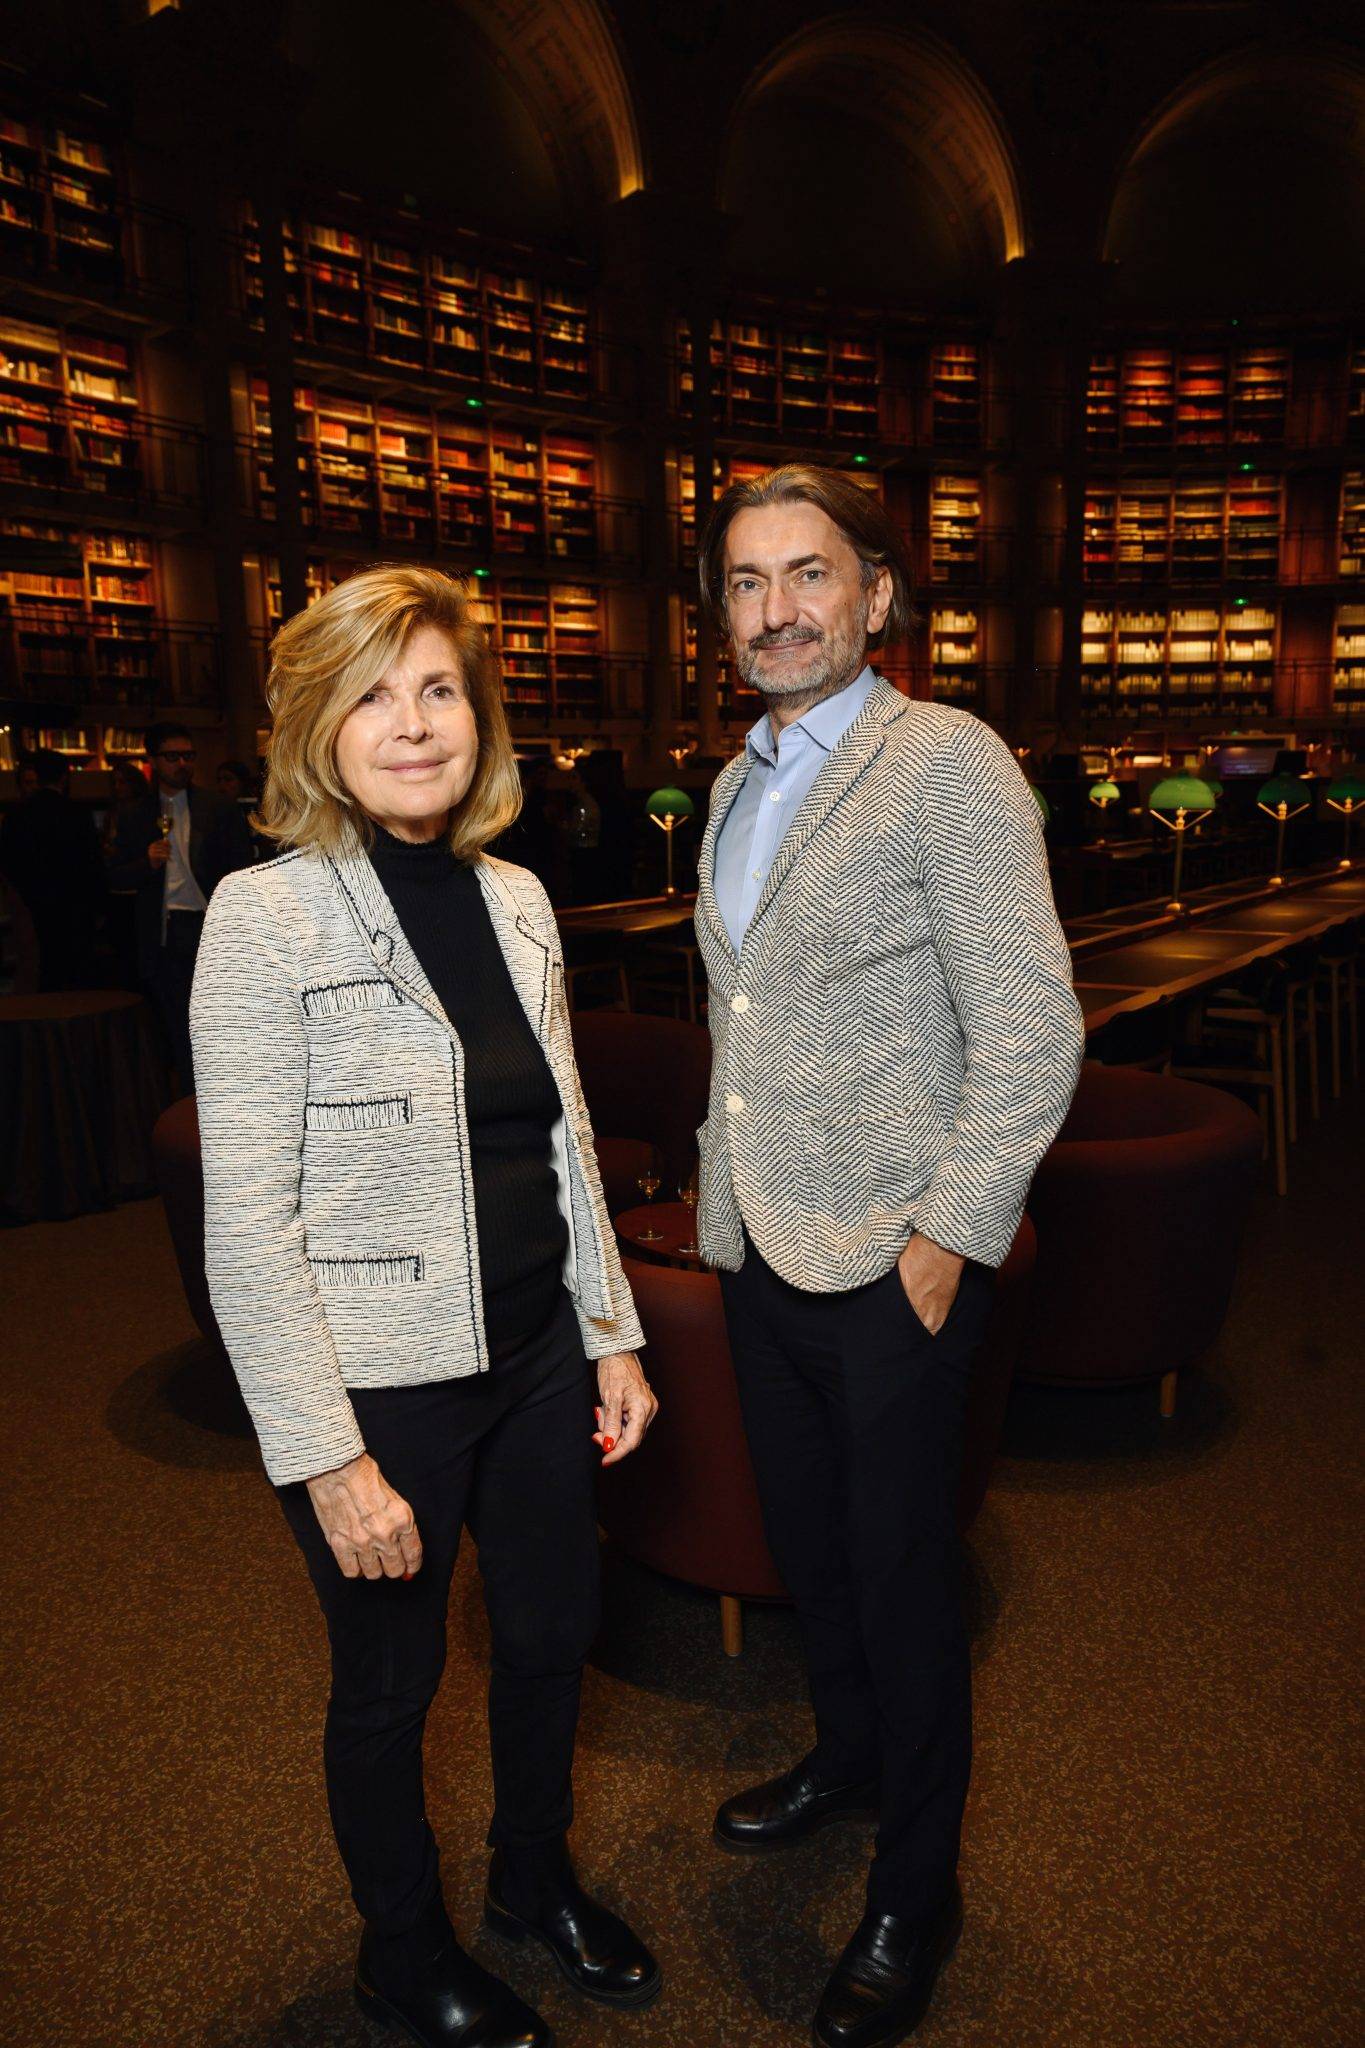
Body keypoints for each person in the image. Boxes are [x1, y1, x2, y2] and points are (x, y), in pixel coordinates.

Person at [189, 565, 661, 2048]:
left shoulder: (516, 898)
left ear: (482, 718)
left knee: (546, 1634)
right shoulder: (265, 918)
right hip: (376, 1383)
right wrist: (326, 1457)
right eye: (373, 694)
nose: (412, 724)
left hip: (533, 1353)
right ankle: (401, 1950)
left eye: (439, 688)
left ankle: (530, 1878)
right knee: (389, 1688)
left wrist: (613, 1329)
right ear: (317, 728)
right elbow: (245, 1220)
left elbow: (566, 1130)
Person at [692, 466, 1085, 2048]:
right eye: (743, 582)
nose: (777, 608)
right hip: (759, 1246)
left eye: (809, 574)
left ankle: (918, 1889)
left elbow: (1033, 1030)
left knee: (909, 1578)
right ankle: (843, 1757)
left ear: (875, 594)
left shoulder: (946, 764)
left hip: (894, 1262)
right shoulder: (734, 779)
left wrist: (947, 1240)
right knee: (816, 1551)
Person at [108, 722, 254, 1088]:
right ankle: (190, 1103)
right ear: (153, 761)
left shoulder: (216, 807)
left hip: (210, 927)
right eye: (172, 756)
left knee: (220, 1022)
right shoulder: (134, 814)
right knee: (176, 1025)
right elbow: (112, 877)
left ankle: (230, 1093)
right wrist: (146, 863)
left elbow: (241, 868)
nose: (182, 764)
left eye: (188, 756)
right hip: (164, 932)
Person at [0, 747, 107, 989]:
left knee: (42, 969)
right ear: (65, 777)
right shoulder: (77, 814)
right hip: (75, 906)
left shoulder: (18, 815)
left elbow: (8, 862)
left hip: (33, 905)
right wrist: (99, 905)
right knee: (76, 972)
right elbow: (92, 863)